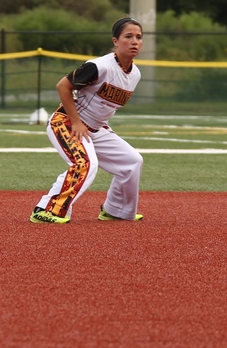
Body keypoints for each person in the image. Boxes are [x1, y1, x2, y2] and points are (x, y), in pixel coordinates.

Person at [29, 17, 145, 224]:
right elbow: (63, 86)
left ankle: (116, 210)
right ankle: (47, 210)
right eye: (128, 36)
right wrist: (76, 122)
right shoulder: (98, 66)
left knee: (132, 162)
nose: (134, 41)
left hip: (96, 128)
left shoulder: (135, 74)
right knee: (85, 163)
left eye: (138, 37)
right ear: (115, 41)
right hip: (66, 122)